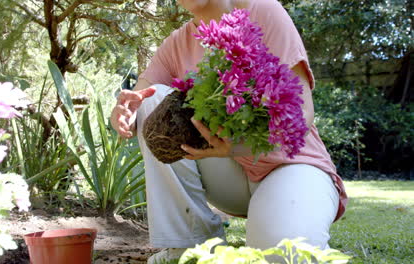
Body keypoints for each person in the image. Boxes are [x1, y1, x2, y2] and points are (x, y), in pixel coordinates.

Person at [110, 0, 348, 263]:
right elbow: (138, 97)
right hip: (229, 173)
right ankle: (190, 247)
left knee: (285, 255)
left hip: (291, 164)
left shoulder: (264, 10)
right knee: (152, 100)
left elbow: (301, 115)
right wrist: (123, 111)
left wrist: (237, 145)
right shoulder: (177, 44)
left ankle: (283, 217)